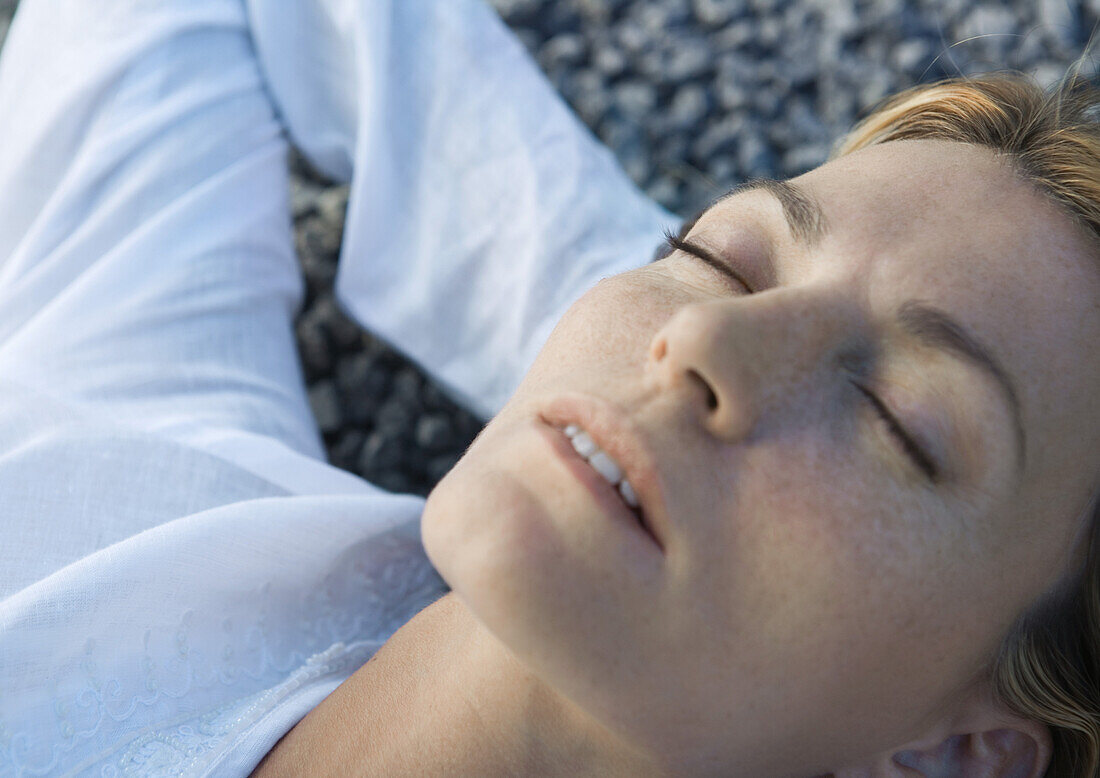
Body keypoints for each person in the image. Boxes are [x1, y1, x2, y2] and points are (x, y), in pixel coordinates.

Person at [0, 2, 1097, 778]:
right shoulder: (141, 478)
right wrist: (604, 390)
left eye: (893, 420)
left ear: (955, 754)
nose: (705, 336)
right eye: (718, 256)